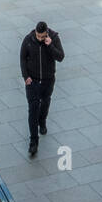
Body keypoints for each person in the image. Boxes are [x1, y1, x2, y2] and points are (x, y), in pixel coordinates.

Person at [20, 19, 64, 157]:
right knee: (32, 109)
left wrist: (50, 45)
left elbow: (61, 57)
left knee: (45, 102)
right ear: (35, 32)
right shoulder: (28, 40)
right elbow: (22, 58)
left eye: (43, 36)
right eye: (38, 36)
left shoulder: (54, 38)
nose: (40, 39)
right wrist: (25, 76)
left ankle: (42, 121)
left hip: (47, 80)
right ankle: (33, 142)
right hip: (32, 81)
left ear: (47, 33)